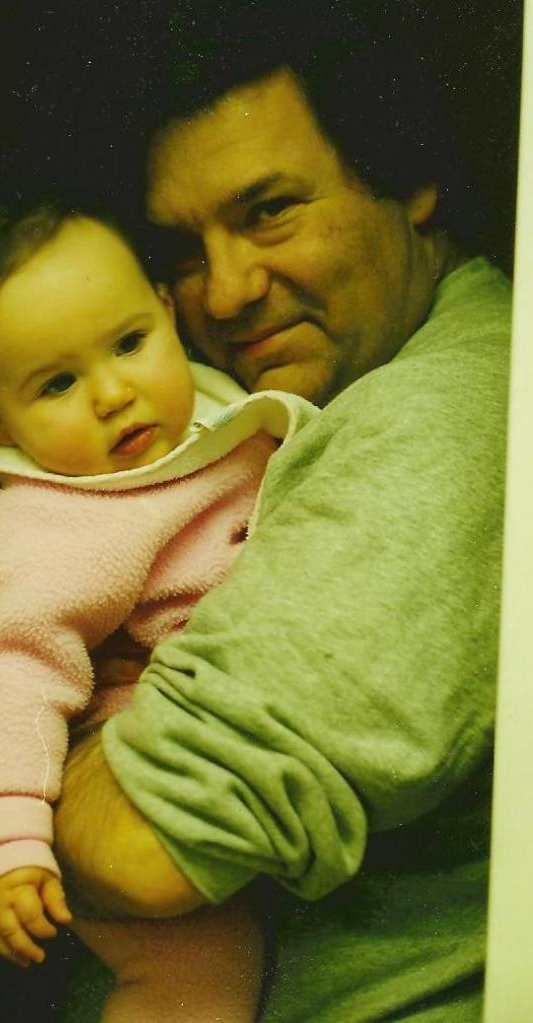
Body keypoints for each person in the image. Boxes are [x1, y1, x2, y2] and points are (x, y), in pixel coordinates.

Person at [50, 5, 513, 1021]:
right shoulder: (321, 402)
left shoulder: (440, 416)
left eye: (269, 211)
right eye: (182, 250)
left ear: (411, 183)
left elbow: (140, 846)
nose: (223, 293)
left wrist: (54, 746)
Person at [0, 200, 317, 1021]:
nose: (114, 393)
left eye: (127, 344)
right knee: (200, 979)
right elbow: (8, 675)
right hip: (130, 769)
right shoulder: (37, 527)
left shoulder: (224, 409)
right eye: (58, 383)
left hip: (261, 733)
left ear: (165, 309)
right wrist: (7, 840)